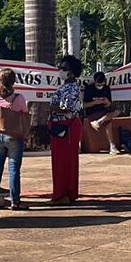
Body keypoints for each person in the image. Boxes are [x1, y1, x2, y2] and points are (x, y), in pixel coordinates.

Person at [0, 67, 29, 210]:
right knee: (14, 169)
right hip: (13, 136)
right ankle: (15, 201)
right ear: (14, 81)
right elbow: (24, 113)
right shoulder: (19, 98)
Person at [48, 55, 84, 205]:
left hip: (65, 128)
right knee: (63, 161)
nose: (60, 71)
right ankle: (66, 193)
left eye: (64, 68)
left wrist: (52, 107)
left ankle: (63, 194)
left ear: (71, 73)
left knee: (63, 162)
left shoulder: (71, 88)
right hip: (63, 127)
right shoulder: (67, 87)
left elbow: (67, 108)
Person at [84, 71, 119, 154]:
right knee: (108, 122)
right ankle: (112, 145)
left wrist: (107, 102)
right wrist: (95, 102)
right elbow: (84, 105)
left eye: (101, 84)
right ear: (95, 82)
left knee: (117, 111)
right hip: (92, 111)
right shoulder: (89, 88)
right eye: (98, 85)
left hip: (104, 110)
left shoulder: (106, 88)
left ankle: (99, 122)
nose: (100, 86)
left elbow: (110, 104)